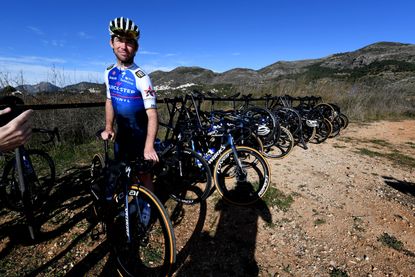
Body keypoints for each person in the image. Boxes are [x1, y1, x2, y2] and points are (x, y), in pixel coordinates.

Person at [101, 17, 159, 195]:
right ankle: (132, 201)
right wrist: (109, 127)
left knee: (145, 176)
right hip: (122, 137)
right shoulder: (109, 71)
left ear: (136, 47)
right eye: (119, 40)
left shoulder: (141, 77)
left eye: (129, 42)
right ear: (111, 42)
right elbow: (110, 100)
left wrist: (149, 146)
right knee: (125, 172)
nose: (123, 47)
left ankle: (148, 207)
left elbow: (153, 115)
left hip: (141, 138)